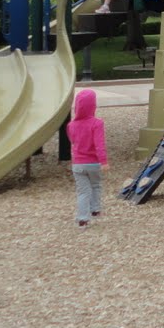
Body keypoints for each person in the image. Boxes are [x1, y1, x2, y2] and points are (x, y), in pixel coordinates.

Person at [67, 87, 108, 226]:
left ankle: (82, 218)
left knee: (83, 191)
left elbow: (73, 141)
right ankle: (95, 209)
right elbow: (99, 144)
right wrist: (104, 161)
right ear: (93, 105)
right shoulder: (97, 123)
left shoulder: (71, 125)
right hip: (93, 162)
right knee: (95, 185)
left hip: (77, 163)